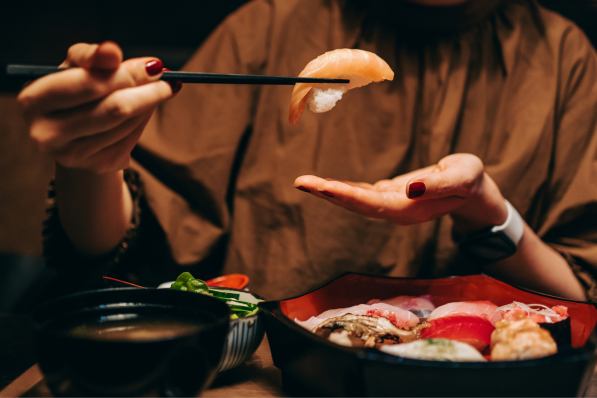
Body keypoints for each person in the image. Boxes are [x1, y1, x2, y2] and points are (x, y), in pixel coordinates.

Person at [17, 0, 597, 301]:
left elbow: (579, 297)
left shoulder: (565, 58)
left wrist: (487, 212)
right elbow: (128, 245)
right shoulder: (269, 24)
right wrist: (91, 164)